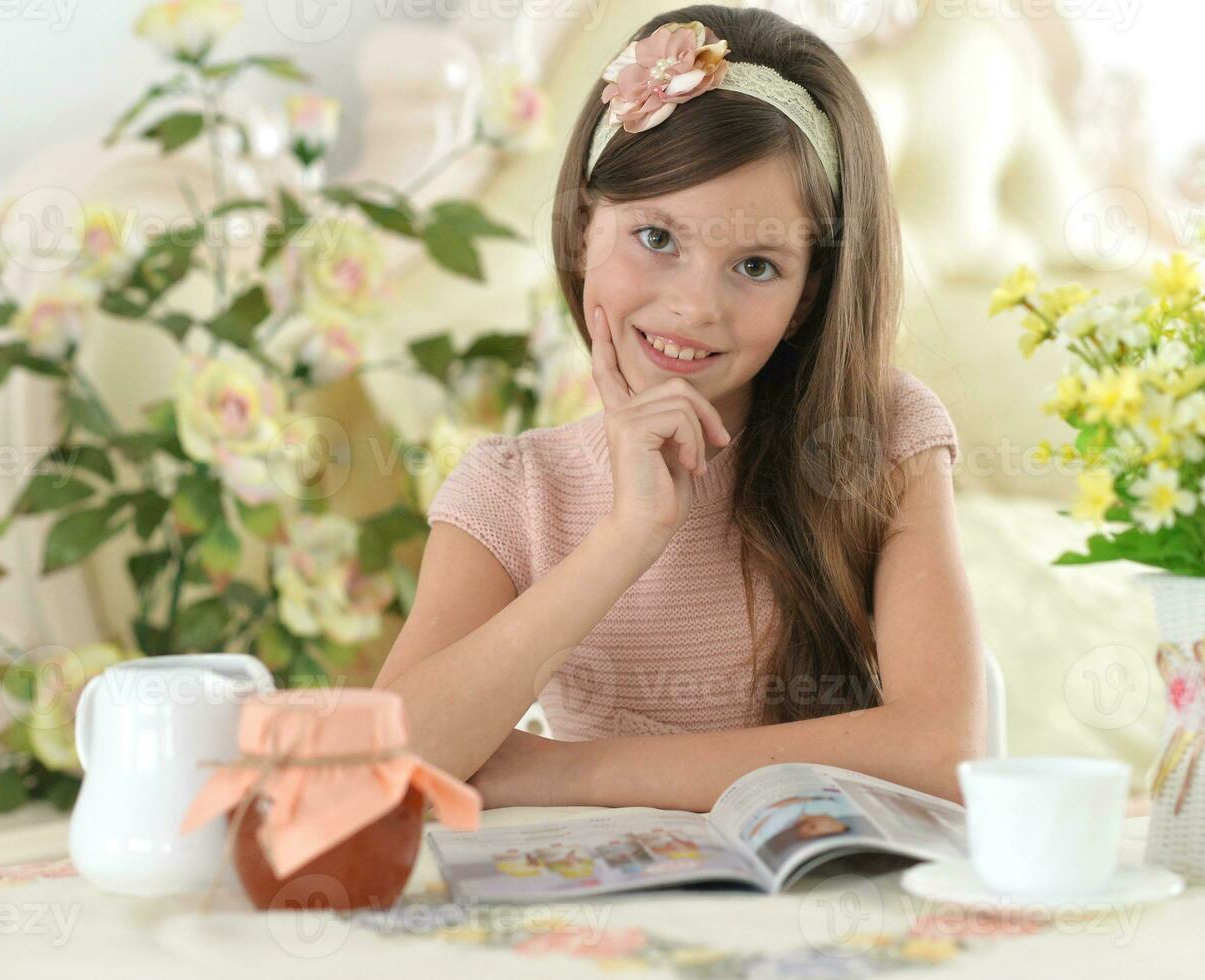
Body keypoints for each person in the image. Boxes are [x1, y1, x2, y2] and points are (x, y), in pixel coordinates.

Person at [374, 5, 986, 812]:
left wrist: (569, 772)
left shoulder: (881, 437)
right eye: (657, 238)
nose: (695, 308)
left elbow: (939, 753)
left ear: (807, 299)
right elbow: (389, 757)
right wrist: (627, 537)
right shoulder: (513, 489)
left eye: (757, 266)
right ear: (584, 228)